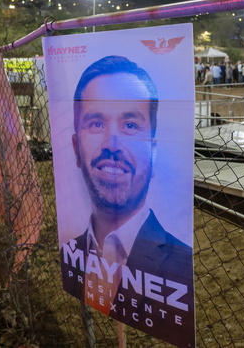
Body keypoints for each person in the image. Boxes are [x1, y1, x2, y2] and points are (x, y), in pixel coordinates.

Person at [59, 55, 193, 346]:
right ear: (75, 148)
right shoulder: (68, 251)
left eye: (131, 126)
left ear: (154, 154)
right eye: (96, 124)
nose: (113, 145)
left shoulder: (181, 263)